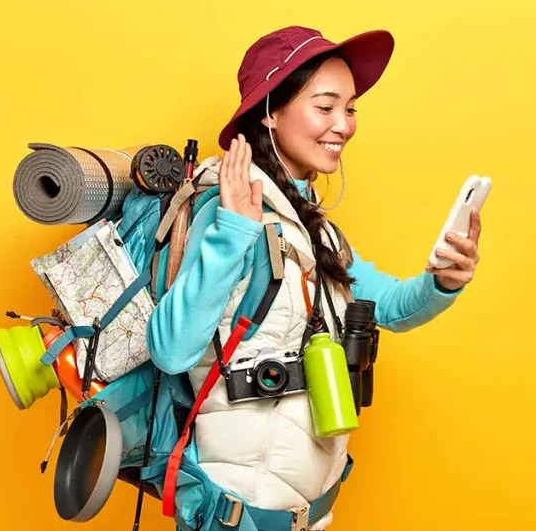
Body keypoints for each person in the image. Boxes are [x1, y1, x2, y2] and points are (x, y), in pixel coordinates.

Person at [146, 26, 483, 530]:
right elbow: (171, 347)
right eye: (325, 107)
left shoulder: (312, 230)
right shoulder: (230, 205)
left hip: (306, 515)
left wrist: (444, 280)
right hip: (238, 514)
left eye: (349, 109)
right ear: (271, 112)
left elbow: (388, 304)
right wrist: (234, 228)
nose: (343, 125)